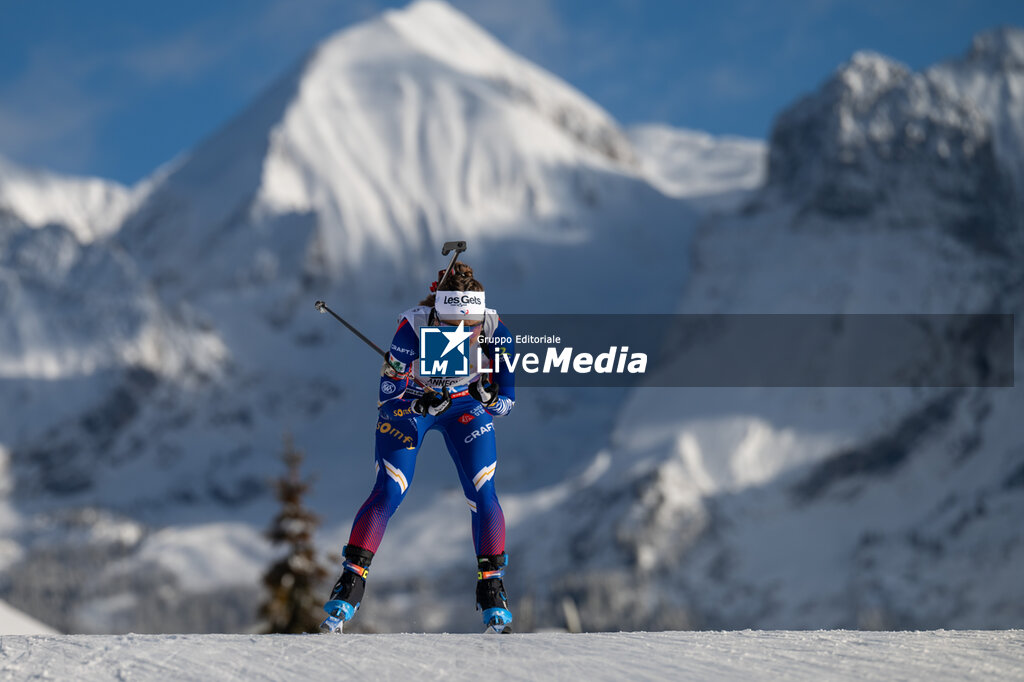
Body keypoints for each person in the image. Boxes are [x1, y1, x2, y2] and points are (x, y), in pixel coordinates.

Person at [323, 262, 517, 633]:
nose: (463, 334)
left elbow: (508, 401)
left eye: (471, 326)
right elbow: (387, 395)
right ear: (436, 316)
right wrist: (417, 405)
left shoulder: (495, 329)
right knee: (390, 488)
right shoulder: (412, 329)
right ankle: (349, 584)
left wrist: (488, 399)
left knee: (483, 488)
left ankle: (492, 585)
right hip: (414, 403)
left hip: (466, 406)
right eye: (450, 326)